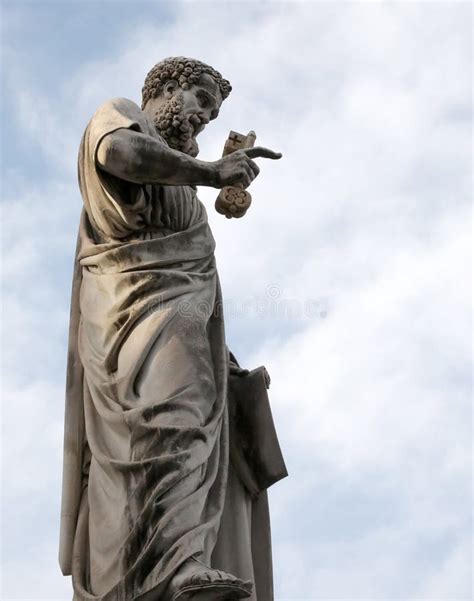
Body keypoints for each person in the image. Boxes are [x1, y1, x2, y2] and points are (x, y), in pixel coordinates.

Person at [59, 57, 282, 601]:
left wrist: (225, 365)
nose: (205, 115)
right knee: (168, 422)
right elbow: (119, 153)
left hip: (180, 326)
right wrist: (210, 173)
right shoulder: (120, 115)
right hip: (131, 317)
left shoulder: (183, 189)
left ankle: (187, 556)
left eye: (213, 108)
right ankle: (175, 566)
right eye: (200, 97)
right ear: (164, 89)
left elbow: (198, 296)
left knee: (193, 425)